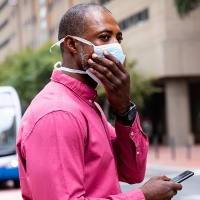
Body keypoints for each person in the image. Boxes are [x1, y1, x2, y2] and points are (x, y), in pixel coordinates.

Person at [16, 3, 182, 200]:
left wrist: (123, 110)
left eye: (118, 38)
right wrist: (142, 197)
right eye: (105, 37)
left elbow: (132, 172)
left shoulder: (88, 105)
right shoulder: (58, 113)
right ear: (72, 44)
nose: (116, 46)